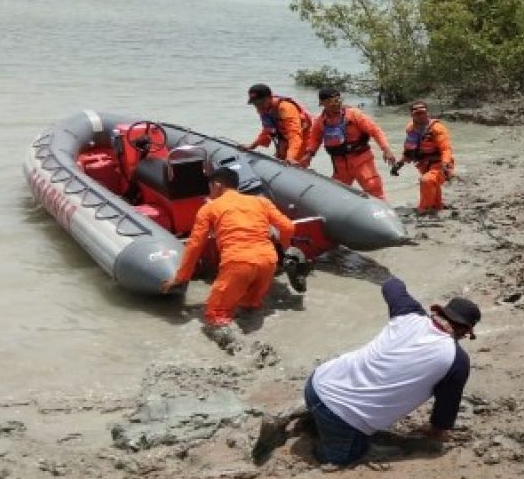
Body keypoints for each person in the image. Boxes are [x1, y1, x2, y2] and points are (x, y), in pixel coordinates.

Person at [300, 277, 480, 466]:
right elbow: (446, 408)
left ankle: (313, 420)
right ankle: (319, 440)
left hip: (317, 383)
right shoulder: (457, 361)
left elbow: (390, 284)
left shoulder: (408, 314)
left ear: (439, 312)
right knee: (344, 458)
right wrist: (437, 433)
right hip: (345, 417)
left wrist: (410, 300)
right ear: (465, 331)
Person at [159, 167, 297, 326]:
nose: (209, 193)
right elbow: (288, 227)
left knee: (215, 315)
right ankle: (254, 339)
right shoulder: (261, 202)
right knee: (250, 307)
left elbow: (195, 245)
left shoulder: (209, 208)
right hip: (268, 261)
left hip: (238, 262)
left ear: (216, 185)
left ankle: (239, 347)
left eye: (209, 187)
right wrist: (281, 250)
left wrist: (180, 278)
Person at [299, 87, 397, 200]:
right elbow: (315, 139)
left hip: (360, 159)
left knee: (373, 186)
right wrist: (309, 155)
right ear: (322, 103)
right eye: (331, 102)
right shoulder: (321, 121)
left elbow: (375, 130)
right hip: (339, 163)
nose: (336, 105)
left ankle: (383, 211)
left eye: (337, 101)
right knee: (336, 192)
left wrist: (386, 149)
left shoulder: (354, 115)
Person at [392, 100, 455, 215]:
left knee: (426, 180)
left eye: (422, 112)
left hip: (441, 164)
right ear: (411, 115)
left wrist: (445, 165)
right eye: (417, 113)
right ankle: (437, 205)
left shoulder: (437, 128)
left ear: (427, 113)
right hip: (424, 165)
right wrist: (399, 164)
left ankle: (424, 209)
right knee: (431, 183)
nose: (420, 116)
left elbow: (446, 149)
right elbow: (409, 152)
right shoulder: (411, 129)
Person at [242, 83, 312, 165]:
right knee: (280, 158)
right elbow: (267, 130)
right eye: (255, 103)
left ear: (269, 98)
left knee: (294, 163)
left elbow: (294, 135)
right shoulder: (263, 109)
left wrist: (291, 156)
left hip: (302, 135)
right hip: (284, 136)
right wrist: (252, 146)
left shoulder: (285, 108)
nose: (258, 107)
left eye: (260, 103)